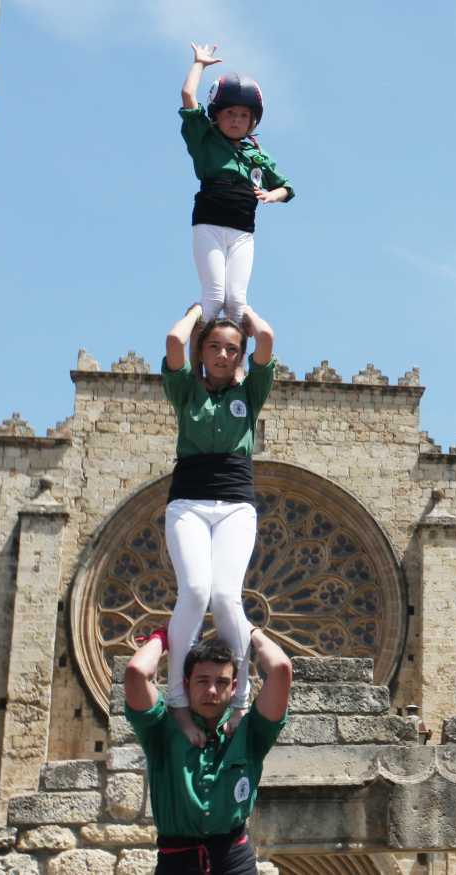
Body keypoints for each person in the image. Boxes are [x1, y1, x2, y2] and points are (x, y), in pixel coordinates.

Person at [161, 302, 276, 747]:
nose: (224, 355)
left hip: (235, 506)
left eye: (232, 349)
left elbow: (266, 340)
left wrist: (244, 310)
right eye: (214, 347)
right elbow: (173, 342)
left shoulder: (250, 394)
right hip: (187, 503)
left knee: (226, 595)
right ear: (202, 351)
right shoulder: (186, 392)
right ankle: (176, 697)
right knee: (193, 591)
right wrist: (197, 311)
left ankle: (242, 696)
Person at [124, 627, 293, 875]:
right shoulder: (162, 729)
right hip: (176, 865)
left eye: (222, 682)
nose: (212, 691)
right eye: (202, 681)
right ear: (186, 683)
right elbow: (136, 673)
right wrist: (163, 637)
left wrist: (247, 629)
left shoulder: (251, 732)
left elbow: (280, 669)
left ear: (235, 687)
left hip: (235, 863)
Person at [181, 43, 294, 323]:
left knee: (236, 302)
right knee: (214, 298)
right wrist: (200, 64)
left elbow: (287, 187)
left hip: (243, 230)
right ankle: (196, 361)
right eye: (230, 113)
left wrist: (272, 195)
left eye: (244, 115)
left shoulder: (256, 152)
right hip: (209, 224)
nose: (236, 120)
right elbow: (187, 96)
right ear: (217, 115)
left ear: (252, 121)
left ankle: (235, 366)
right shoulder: (205, 140)